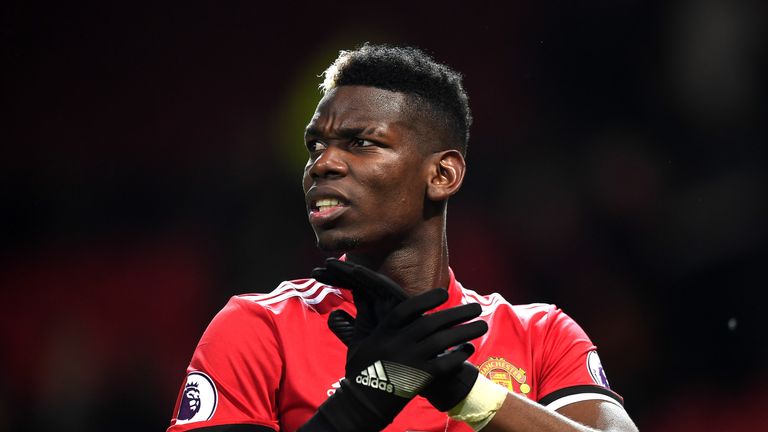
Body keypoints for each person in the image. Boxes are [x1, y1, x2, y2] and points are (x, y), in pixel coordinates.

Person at [166, 43, 639, 432]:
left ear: (442, 174)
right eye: (316, 145)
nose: (322, 163)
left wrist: (464, 391)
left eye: (361, 142)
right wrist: (376, 392)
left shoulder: (540, 337)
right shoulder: (257, 329)